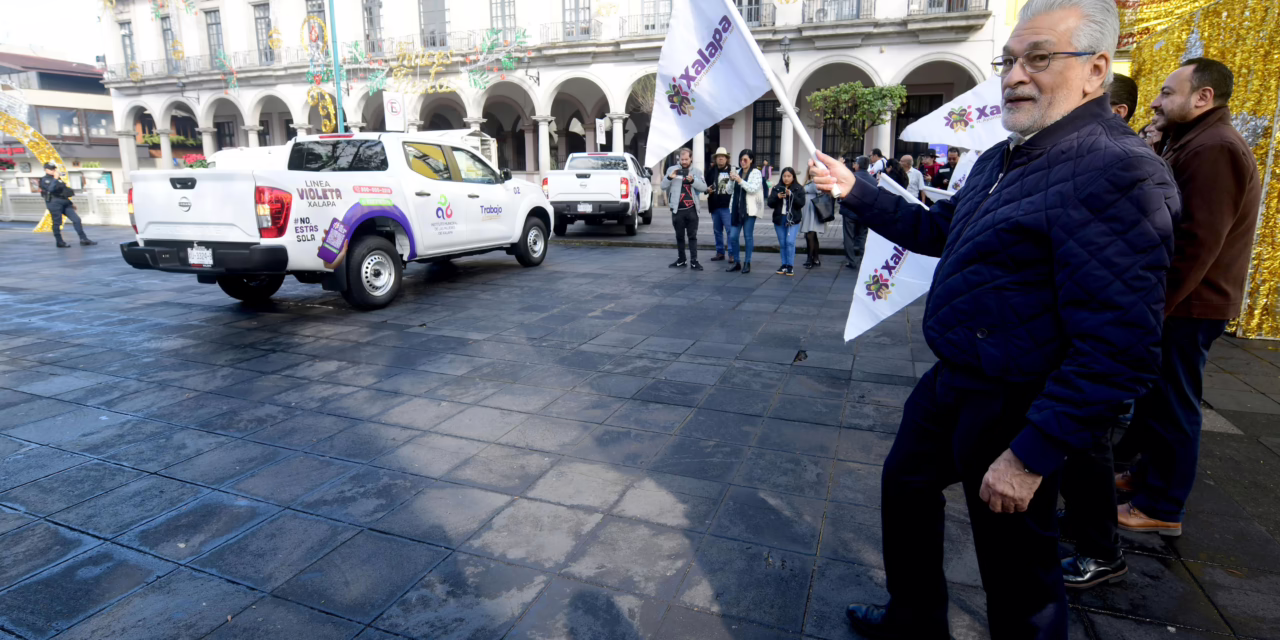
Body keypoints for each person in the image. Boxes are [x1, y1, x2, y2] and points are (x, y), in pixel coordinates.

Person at [810, 0, 1178, 635]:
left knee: (1017, 571)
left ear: (1095, 72)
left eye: (1038, 59)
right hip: (955, 377)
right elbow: (937, 229)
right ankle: (914, 620)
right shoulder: (1001, 157)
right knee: (905, 487)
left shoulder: (1118, 171)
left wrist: (1030, 455)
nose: (1014, 76)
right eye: (1008, 60)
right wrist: (857, 192)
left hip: (1018, 399)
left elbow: (1119, 345)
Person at [1111, 58, 1260, 539]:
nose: (1155, 102)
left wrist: (1158, 305)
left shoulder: (1215, 148)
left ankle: (1162, 504)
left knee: (1174, 404)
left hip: (1190, 303)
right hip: (1184, 301)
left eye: (1168, 93)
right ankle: (1149, 480)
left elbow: (1196, 241)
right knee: (1157, 401)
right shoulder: (1196, 141)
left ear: (1203, 98)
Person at [661, 147, 707, 270]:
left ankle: (694, 261)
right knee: (679, 236)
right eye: (682, 159)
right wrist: (670, 177)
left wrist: (693, 181)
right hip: (677, 210)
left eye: (686, 159)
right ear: (679, 159)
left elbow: (704, 188)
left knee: (692, 236)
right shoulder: (672, 170)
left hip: (692, 209)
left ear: (691, 158)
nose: (684, 162)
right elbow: (663, 186)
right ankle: (681, 260)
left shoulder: (697, 171)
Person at [38, 163, 96, 249]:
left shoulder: (59, 179)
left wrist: (71, 203)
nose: (54, 171)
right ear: (46, 170)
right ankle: (59, 241)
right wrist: (55, 178)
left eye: (54, 169)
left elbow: (64, 191)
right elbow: (50, 189)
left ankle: (83, 239)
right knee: (57, 223)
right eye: (51, 169)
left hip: (65, 202)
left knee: (76, 219)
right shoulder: (44, 180)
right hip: (54, 203)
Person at [725, 149, 764, 274]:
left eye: (745, 159)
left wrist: (740, 180)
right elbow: (729, 191)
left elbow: (753, 189)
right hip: (736, 209)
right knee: (733, 236)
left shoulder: (756, 173)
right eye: (741, 159)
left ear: (751, 160)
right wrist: (731, 180)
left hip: (749, 210)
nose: (742, 162)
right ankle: (737, 262)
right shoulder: (737, 172)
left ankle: (747, 262)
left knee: (748, 237)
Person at [767, 166, 805, 276]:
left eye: (789, 176)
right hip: (779, 219)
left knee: (790, 242)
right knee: (783, 243)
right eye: (784, 176)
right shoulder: (776, 188)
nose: (786, 178)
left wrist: (791, 195)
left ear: (793, 177)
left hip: (793, 219)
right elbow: (770, 203)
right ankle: (784, 264)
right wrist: (777, 197)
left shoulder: (799, 188)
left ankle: (790, 265)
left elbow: (801, 203)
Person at [842, 156, 873, 271]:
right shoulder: (873, 180)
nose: (853, 165)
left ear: (858, 165)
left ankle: (851, 261)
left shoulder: (852, 178)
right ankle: (863, 259)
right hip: (864, 213)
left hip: (850, 211)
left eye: (855, 163)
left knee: (849, 237)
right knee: (863, 237)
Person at [706, 147, 735, 263]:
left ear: (727, 159)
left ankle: (732, 254)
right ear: (716, 159)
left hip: (728, 206)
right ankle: (720, 252)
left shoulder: (732, 171)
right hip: (715, 205)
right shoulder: (711, 171)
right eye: (719, 157)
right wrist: (707, 190)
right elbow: (705, 186)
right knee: (717, 231)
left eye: (723, 157)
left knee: (729, 231)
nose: (721, 159)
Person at [799, 169, 825, 269]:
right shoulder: (808, 181)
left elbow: (820, 192)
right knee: (811, 235)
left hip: (814, 210)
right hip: (808, 210)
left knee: (810, 235)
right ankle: (815, 258)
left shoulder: (816, 181)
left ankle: (810, 259)